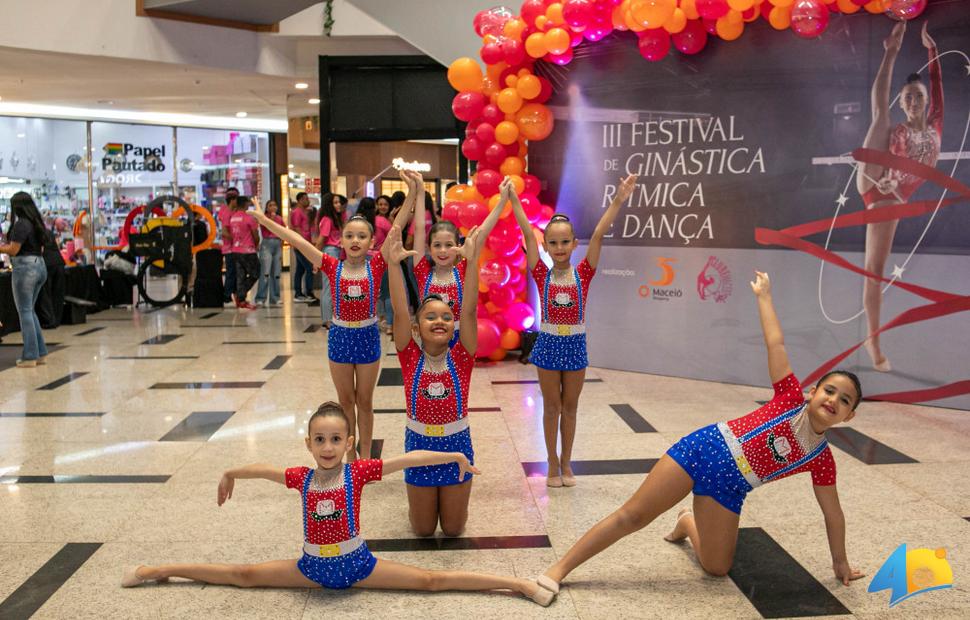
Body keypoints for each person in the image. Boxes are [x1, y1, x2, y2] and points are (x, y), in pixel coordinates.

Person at [534, 272, 865, 596]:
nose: (834, 400)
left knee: (717, 567)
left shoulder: (821, 459)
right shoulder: (790, 398)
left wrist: (841, 563)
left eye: (844, 400)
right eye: (830, 391)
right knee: (633, 515)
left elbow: (833, 514)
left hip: (731, 487)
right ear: (812, 392)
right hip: (705, 450)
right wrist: (764, 297)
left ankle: (687, 522)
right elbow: (775, 342)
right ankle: (559, 569)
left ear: (849, 416)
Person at [121, 402, 554, 606]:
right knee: (244, 575)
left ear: (349, 444)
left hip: (359, 566)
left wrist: (454, 455)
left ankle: (515, 585)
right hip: (311, 568)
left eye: (335, 440)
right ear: (308, 443)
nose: (327, 447)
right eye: (319, 440)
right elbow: (264, 469)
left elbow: (408, 460)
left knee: (429, 581)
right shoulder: (302, 478)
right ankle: (157, 570)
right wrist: (231, 472)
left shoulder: (357, 472)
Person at [508, 175, 637, 487]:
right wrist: (513, 200)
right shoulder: (541, 273)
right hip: (549, 345)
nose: (560, 247)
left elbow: (599, 234)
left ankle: (567, 461)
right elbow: (528, 232)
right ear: (546, 246)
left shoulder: (584, 272)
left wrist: (619, 199)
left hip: (576, 345)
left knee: (571, 407)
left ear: (574, 244)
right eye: (553, 242)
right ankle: (551, 461)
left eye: (565, 242)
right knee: (551, 407)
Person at [253, 201, 408, 462]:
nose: (355, 240)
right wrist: (265, 221)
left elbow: (397, 226)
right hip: (340, 338)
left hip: (368, 337)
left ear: (372, 242)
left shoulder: (377, 264)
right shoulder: (332, 265)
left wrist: (414, 193)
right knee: (345, 402)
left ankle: (367, 459)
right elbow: (298, 241)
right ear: (341, 241)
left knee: (365, 402)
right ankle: (350, 461)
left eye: (361, 236)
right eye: (349, 236)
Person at [384, 222, 484, 537]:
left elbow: (468, 312)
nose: (439, 321)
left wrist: (472, 260)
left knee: (454, 530)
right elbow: (401, 312)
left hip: (457, 444)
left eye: (445, 317)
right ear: (417, 328)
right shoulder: (409, 355)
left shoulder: (462, 356)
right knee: (424, 530)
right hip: (419, 445)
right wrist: (392, 264)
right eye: (430, 316)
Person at [857, 21, 942, 372]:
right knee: (880, 118)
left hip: (895, 192)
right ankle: (873, 343)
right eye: (907, 97)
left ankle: (871, 340)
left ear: (925, 101)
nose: (912, 101)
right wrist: (894, 49)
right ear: (904, 103)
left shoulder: (936, 124)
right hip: (880, 183)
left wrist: (932, 51)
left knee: (873, 272)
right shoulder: (899, 129)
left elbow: (937, 85)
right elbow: (893, 155)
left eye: (917, 96)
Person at [410, 172, 505, 347]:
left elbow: (482, 232)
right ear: (429, 249)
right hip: (430, 341)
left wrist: (502, 201)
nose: (443, 251)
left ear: (457, 245)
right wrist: (421, 192)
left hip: (460, 341)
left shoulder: (463, 269)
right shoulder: (423, 271)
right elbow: (419, 228)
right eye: (437, 245)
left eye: (449, 245)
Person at [0, 192, 49, 367]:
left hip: (25, 268)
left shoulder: (21, 224)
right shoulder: (35, 223)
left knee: (25, 312)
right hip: (39, 266)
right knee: (30, 310)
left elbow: (13, 250)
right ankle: (40, 352)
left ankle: (30, 356)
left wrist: (1, 248)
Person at [314, 192, 349, 325]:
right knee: (328, 286)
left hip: (337, 252)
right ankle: (327, 319)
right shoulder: (327, 219)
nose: (339, 205)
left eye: (339, 202)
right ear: (329, 204)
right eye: (335, 202)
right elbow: (321, 240)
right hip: (330, 252)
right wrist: (315, 260)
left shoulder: (337, 218)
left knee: (335, 286)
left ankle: (333, 317)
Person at [225, 196, 261, 310]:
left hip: (235, 250)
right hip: (248, 251)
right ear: (245, 204)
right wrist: (255, 246)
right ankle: (240, 294)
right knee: (255, 273)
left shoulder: (233, 218)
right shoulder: (249, 218)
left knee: (240, 275)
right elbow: (256, 235)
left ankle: (241, 300)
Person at [254, 200, 284, 307]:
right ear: (266, 208)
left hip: (277, 244)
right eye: (270, 205)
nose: (273, 207)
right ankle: (260, 297)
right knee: (265, 273)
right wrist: (270, 218)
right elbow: (263, 226)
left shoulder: (279, 219)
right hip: (266, 244)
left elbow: (283, 231)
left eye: (275, 205)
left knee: (276, 273)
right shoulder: (263, 218)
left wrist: (282, 243)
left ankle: (275, 297)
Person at [289, 192, 315, 302]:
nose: (308, 200)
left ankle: (298, 294)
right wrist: (302, 244)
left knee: (300, 270)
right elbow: (296, 228)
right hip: (301, 245)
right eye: (305, 199)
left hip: (306, 244)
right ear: (299, 200)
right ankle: (308, 293)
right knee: (309, 268)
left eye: (307, 198)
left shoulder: (306, 212)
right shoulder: (296, 212)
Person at [218, 187, 240, 305]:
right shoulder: (226, 212)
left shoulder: (235, 212)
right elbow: (225, 232)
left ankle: (235, 295)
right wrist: (237, 239)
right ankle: (226, 295)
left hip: (236, 248)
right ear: (232, 200)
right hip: (229, 248)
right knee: (231, 272)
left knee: (236, 272)